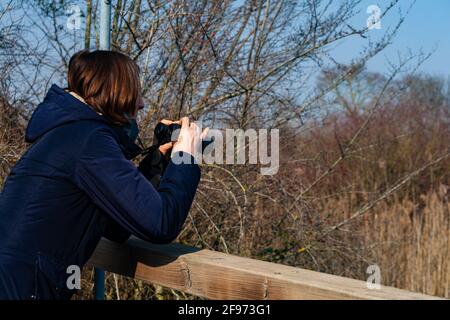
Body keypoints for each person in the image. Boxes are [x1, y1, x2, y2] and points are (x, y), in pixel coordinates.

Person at [0, 50, 206, 299]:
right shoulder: (89, 141)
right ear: (115, 91)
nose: (140, 103)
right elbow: (160, 223)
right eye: (135, 92)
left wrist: (157, 161)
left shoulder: (71, 134)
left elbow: (115, 226)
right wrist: (186, 156)